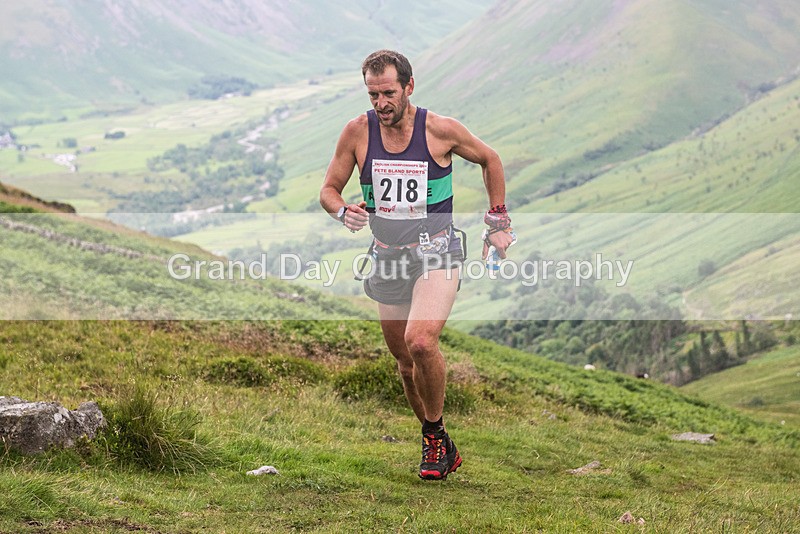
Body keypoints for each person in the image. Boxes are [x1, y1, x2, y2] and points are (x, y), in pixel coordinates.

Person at [320, 49, 514, 480]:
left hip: (438, 251)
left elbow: (491, 159)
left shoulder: (439, 130)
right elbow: (330, 189)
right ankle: (438, 437)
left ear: (409, 87)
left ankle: (432, 440)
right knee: (405, 362)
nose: (380, 103)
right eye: (373, 94)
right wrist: (341, 212)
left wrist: (498, 220)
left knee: (421, 341)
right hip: (387, 257)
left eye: (388, 92)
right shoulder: (357, 133)